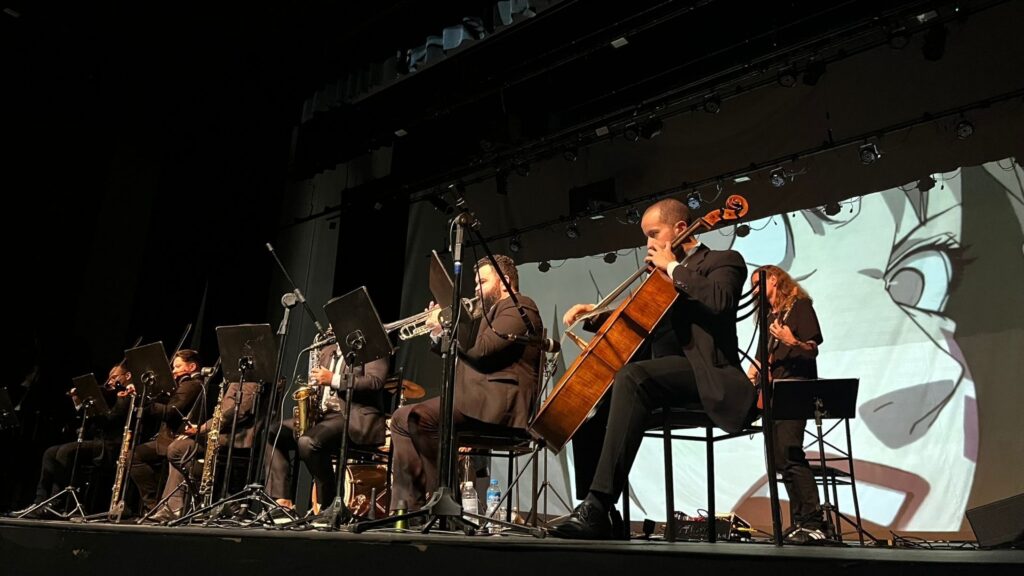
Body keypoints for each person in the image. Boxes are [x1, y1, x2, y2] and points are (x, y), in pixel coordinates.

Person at [547, 197, 755, 540]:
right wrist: (596, 315)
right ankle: (606, 515)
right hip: (663, 380)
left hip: (708, 377)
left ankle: (597, 506)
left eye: (653, 233)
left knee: (633, 376)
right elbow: (641, 323)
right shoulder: (658, 280)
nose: (648, 244)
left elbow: (720, 301)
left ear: (679, 229)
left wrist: (674, 268)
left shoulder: (723, 261)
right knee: (591, 411)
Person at [389, 254, 543, 513]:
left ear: (505, 281)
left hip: (498, 405)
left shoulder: (520, 307)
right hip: (473, 399)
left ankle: (442, 501)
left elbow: (482, 351)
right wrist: (441, 332)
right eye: (475, 283)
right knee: (401, 418)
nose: (476, 288)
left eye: (483, 282)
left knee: (419, 418)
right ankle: (407, 509)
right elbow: (465, 352)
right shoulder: (487, 315)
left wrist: (446, 323)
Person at [264, 335, 389, 511]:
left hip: (353, 417)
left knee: (309, 442)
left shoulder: (372, 346)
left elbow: (375, 382)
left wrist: (334, 380)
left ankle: (327, 504)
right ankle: (282, 502)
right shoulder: (327, 350)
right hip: (324, 415)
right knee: (274, 432)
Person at [746, 264, 825, 542]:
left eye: (759, 284)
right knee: (779, 460)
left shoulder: (800, 307)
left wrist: (792, 341)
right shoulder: (769, 317)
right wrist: (749, 378)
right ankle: (799, 523)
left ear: (775, 280)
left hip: (796, 389)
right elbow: (760, 359)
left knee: (791, 453)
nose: (754, 291)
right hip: (773, 393)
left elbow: (812, 349)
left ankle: (814, 521)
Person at [10, 362, 134, 518]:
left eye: (114, 377)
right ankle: (40, 500)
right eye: (109, 378)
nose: (109, 382)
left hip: (110, 445)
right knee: (50, 452)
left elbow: (111, 420)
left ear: (127, 376)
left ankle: (58, 502)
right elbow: (89, 422)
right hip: (98, 441)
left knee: (65, 451)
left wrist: (95, 407)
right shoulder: (112, 395)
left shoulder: (128, 394)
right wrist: (79, 401)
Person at [146, 377, 260, 523]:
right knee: (179, 447)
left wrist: (202, 428)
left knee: (178, 449)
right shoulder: (234, 378)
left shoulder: (250, 379)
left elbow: (237, 412)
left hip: (234, 438)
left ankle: (217, 497)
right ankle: (174, 506)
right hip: (217, 435)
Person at [128, 349, 204, 514]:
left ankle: (157, 504)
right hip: (167, 438)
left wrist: (145, 400)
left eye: (177, 366)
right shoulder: (182, 385)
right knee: (132, 457)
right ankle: (154, 504)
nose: (174, 371)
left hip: (176, 438)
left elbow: (171, 411)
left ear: (191, 366)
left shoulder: (192, 384)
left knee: (133, 456)